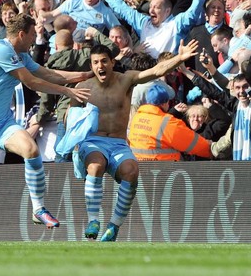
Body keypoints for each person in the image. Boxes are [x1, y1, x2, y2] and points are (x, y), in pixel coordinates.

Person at [0, 14, 91, 236]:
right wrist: (67, 90)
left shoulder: (22, 55)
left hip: (3, 123)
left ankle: (38, 209)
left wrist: (82, 75)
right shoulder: (1, 50)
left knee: (31, 149)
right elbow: (32, 81)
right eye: (33, 34)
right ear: (22, 34)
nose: (35, 39)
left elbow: (46, 73)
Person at [67, 39, 199, 242]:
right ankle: (93, 220)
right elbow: (70, 117)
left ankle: (114, 226)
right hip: (93, 141)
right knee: (96, 164)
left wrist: (180, 58)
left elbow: (155, 71)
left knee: (131, 171)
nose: (99, 66)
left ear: (112, 62)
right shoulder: (83, 87)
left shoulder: (126, 80)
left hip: (119, 143)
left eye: (103, 61)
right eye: (95, 63)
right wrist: (75, 141)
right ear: (91, 65)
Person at [128, 84, 214, 161]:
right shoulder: (168, 123)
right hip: (165, 171)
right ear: (164, 103)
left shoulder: (137, 118)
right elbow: (193, 143)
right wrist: (210, 149)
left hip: (139, 170)